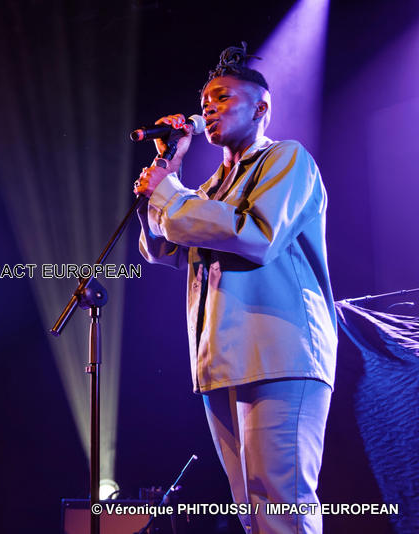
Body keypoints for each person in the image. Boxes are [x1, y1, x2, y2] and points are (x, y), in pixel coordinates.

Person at [133, 43, 336, 534]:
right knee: (250, 509)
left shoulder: (285, 159)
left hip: (279, 352)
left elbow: (255, 234)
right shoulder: (209, 188)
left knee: (281, 502)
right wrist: (163, 181)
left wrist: (169, 194)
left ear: (260, 109)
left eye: (222, 98)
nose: (208, 108)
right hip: (221, 361)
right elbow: (164, 249)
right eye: (205, 101)